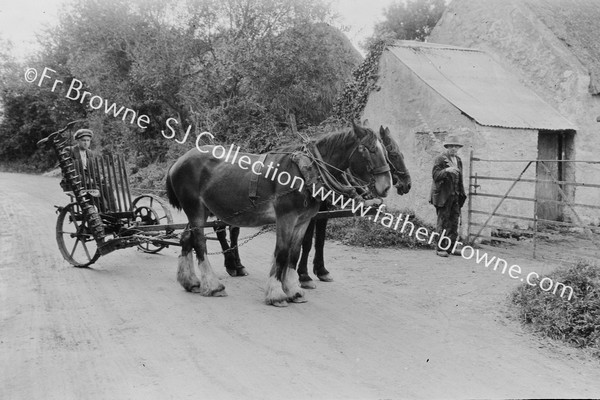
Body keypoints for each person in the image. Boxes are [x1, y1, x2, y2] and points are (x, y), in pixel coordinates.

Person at [430, 135, 467, 257]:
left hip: (456, 196)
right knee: (443, 222)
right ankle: (440, 248)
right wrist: (446, 171)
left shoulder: (459, 160)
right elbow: (435, 176)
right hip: (443, 197)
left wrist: (461, 194)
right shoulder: (440, 159)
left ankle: (450, 248)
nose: (454, 149)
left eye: (456, 146)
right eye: (451, 146)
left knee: (454, 222)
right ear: (447, 147)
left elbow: (460, 179)